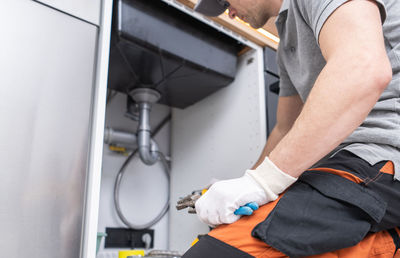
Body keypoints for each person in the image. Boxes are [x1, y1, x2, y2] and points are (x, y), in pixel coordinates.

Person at [182, 0, 400, 257]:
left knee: (216, 252)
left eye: (224, 1)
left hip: (383, 154)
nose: (228, 12)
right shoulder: (286, 46)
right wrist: (245, 187)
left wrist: (263, 182)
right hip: (357, 166)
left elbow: (363, 68)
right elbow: (285, 128)